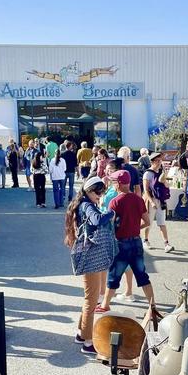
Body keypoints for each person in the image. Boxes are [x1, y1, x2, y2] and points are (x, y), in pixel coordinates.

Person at [64, 176, 114, 354]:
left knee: (89, 299)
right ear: (90, 190)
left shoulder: (82, 202)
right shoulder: (87, 205)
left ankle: (80, 333)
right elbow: (96, 220)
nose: (99, 197)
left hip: (88, 255)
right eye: (98, 193)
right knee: (91, 301)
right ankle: (87, 341)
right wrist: (110, 213)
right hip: (91, 257)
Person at [96, 170, 155, 313]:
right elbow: (147, 221)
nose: (113, 184)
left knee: (114, 276)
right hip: (136, 242)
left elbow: (109, 225)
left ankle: (105, 305)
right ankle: (152, 306)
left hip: (120, 243)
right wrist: (135, 227)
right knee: (142, 276)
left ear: (119, 184)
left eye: (114, 182)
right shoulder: (138, 199)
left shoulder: (115, 202)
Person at [143, 152, 174, 253]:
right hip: (151, 200)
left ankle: (166, 243)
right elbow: (146, 190)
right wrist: (151, 202)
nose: (159, 163)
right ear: (152, 162)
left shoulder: (162, 172)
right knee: (148, 222)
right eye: (156, 161)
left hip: (161, 200)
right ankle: (145, 240)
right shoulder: (148, 173)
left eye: (160, 160)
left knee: (162, 222)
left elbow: (167, 186)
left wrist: (165, 182)